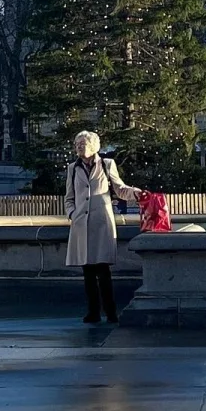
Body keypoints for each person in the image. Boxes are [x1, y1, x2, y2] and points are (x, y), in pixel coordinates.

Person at [64, 130, 145, 324]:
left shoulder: (107, 164)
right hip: (81, 225)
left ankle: (110, 312)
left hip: (101, 224)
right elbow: (69, 197)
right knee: (88, 272)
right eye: (77, 144)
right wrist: (72, 214)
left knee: (103, 270)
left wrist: (137, 193)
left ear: (94, 146)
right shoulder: (72, 168)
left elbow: (119, 189)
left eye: (82, 143)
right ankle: (93, 312)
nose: (79, 147)